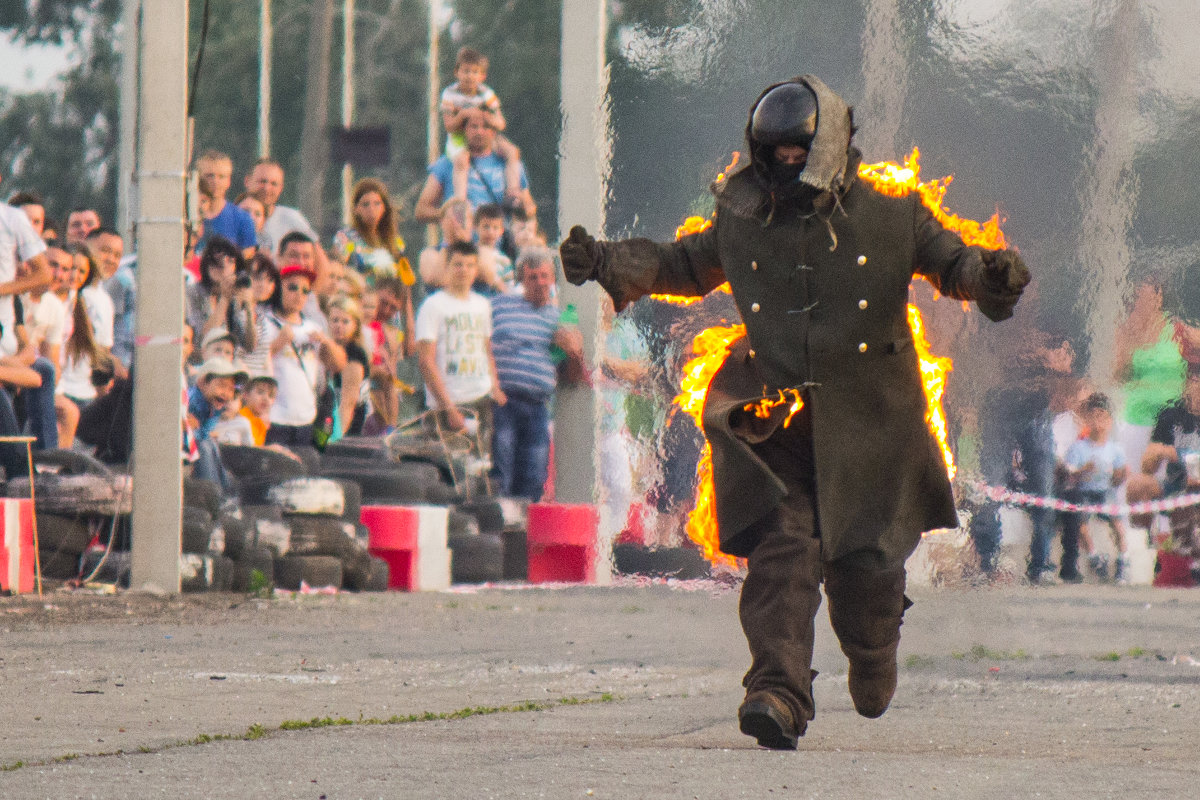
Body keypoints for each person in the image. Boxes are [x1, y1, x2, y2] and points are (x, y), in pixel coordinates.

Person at [558, 76, 1029, 749]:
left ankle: (873, 650)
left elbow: (953, 262)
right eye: (771, 152)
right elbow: (682, 265)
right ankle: (776, 691)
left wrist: (989, 278)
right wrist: (608, 261)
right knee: (783, 549)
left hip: (874, 425)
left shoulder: (895, 211)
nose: (782, 164)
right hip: (779, 418)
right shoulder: (743, 215)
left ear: (829, 146)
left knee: (865, 578)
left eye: (796, 152)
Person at [489, 247, 582, 500]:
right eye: (533, 277)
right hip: (504, 401)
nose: (540, 283)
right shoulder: (498, 306)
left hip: (538, 405)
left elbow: (571, 377)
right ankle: (500, 525)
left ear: (553, 278)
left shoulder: (558, 319)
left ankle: (524, 529)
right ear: (521, 280)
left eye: (544, 276)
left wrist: (574, 353)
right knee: (502, 469)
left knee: (534, 473)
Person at [415, 241, 504, 454]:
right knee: (454, 468)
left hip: (480, 397)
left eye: (469, 265)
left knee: (481, 467)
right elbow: (426, 360)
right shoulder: (433, 305)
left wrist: (495, 386)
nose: (463, 270)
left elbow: (486, 348)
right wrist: (448, 408)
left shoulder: (482, 304)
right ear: (446, 267)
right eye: (457, 264)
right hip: (449, 400)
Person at [258, 263, 347, 447]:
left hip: (306, 419)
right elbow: (255, 363)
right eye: (292, 287)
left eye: (305, 290)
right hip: (274, 418)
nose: (299, 294)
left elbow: (338, 365)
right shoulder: (265, 322)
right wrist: (278, 344)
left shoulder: (313, 328)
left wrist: (327, 342)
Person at [415, 108, 536, 227]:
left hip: (499, 243)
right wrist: (446, 215)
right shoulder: (447, 163)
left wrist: (523, 207)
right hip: (463, 244)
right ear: (464, 130)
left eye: (486, 127)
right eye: (474, 126)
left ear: (494, 131)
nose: (479, 132)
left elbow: (529, 208)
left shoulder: (509, 163)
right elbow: (421, 210)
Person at [440, 47, 524, 209]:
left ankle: (512, 192)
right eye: (465, 71)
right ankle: (461, 201)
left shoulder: (486, 94)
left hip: (485, 132)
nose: (470, 76)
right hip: (460, 135)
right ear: (456, 72)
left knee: (512, 152)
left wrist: (486, 117)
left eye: (474, 72)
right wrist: (464, 115)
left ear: (482, 76)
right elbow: (449, 126)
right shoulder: (450, 94)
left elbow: (500, 123)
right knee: (461, 161)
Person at [1061, 393, 1130, 583]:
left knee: (1117, 522)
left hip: (1105, 491)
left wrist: (1119, 475)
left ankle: (1123, 560)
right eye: (1094, 416)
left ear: (1109, 421)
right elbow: (1069, 475)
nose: (1098, 421)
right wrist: (1083, 471)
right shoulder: (1078, 448)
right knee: (1080, 521)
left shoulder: (1115, 449)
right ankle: (1093, 556)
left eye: (1103, 416)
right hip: (1084, 492)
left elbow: (1118, 479)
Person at [332, 178, 415, 288]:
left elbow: (406, 281)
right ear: (356, 209)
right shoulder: (346, 238)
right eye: (365, 204)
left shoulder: (395, 242)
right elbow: (337, 270)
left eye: (377, 204)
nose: (371, 209)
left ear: (384, 208)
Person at [185, 235, 256, 359]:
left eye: (230, 261)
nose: (224, 267)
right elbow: (202, 340)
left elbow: (249, 346)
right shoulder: (193, 293)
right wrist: (224, 299)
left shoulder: (233, 298)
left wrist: (249, 307)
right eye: (215, 262)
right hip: (200, 364)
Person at [195, 150, 258, 258]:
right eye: (210, 176)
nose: (215, 181)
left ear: (228, 181)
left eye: (221, 176)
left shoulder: (242, 219)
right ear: (198, 177)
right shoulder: (186, 216)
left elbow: (247, 257)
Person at [88, 227, 133, 373]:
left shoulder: (105, 298)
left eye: (117, 255)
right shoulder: (77, 292)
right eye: (105, 251)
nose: (111, 260)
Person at [325, 295, 370, 438]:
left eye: (345, 321)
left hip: (349, 428)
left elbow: (348, 404)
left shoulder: (354, 354)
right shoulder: (329, 348)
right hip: (328, 420)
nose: (339, 326)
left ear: (355, 325)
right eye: (335, 320)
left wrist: (334, 439)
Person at [475, 203, 515, 293]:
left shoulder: (504, 260)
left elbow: (509, 288)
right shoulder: (471, 253)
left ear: (501, 230)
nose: (490, 232)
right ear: (476, 227)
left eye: (495, 228)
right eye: (486, 226)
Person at [239, 371, 278, 447]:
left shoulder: (261, 422)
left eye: (270, 395)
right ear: (246, 395)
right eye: (260, 392)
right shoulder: (241, 418)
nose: (265, 398)